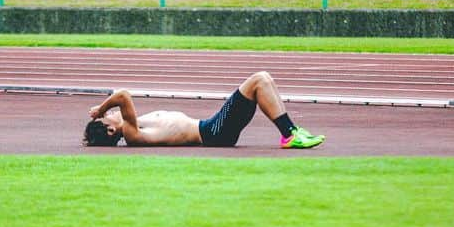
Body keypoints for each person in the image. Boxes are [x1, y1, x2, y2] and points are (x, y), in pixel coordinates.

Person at [83, 71, 325, 149]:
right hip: (212, 133)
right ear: (111, 130)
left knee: (265, 81)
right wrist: (100, 110)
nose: (111, 113)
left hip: (212, 128)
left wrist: (103, 114)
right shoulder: (133, 134)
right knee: (259, 80)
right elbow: (123, 95)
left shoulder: (131, 126)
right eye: (109, 118)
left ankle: (292, 131)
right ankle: (290, 135)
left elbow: (119, 95)